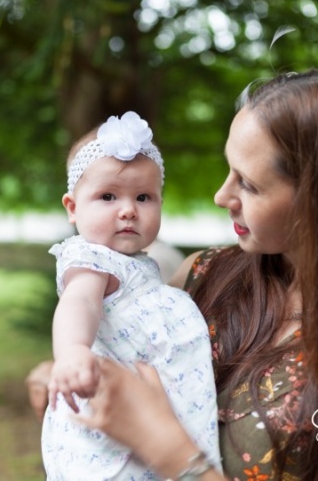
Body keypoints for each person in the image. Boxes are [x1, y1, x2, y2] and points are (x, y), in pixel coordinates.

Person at [28, 69, 318, 480]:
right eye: (229, 170)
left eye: (249, 184)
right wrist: (66, 367)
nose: (222, 195)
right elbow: (116, 330)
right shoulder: (206, 275)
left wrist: (168, 449)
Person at [41, 112, 220, 480]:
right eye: (107, 196)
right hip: (112, 425)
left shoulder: (141, 265)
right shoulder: (93, 260)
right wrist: (73, 350)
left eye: (144, 197)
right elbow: (80, 302)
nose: (128, 210)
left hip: (153, 418)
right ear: (72, 208)